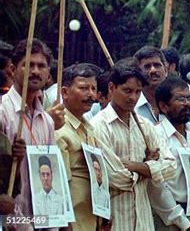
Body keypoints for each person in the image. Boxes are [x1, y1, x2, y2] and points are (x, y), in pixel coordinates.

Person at [91, 59, 176, 231]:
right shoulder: (98, 125)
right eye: (127, 91)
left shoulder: (144, 126)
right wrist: (149, 170)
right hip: (116, 222)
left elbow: (171, 167)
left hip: (144, 222)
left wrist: (139, 166)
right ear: (111, 88)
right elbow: (116, 177)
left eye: (138, 92)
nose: (133, 98)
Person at [0, 39, 60, 218]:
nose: (35, 71)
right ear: (12, 69)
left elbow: (54, 174)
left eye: (41, 66)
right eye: (28, 65)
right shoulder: (3, 111)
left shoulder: (47, 121)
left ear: (48, 74)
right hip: (10, 219)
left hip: (41, 219)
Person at [149, 76, 190, 231]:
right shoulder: (156, 134)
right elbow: (157, 186)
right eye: (180, 99)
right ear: (164, 106)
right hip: (169, 219)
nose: (187, 104)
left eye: (188, 98)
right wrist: (183, 222)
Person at [55, 63, 102, 230]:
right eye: (83, 88)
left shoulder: (89, 127)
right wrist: (65, 223)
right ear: (65, 92)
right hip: (73, 221)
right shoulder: (59, 129)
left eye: (93, 89)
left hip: (91, 217)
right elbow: (60, 183)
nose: (90, 94)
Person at [134, 46, 168, 123]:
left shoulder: (177, 105)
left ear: (166, 70)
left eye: (157, 65)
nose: (153, 70)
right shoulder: (132, 108)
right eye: (147, 67)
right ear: (138, 73)